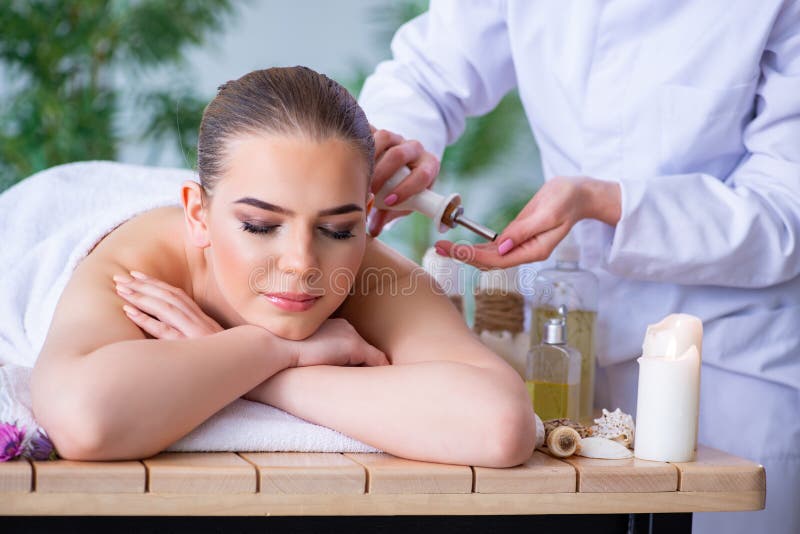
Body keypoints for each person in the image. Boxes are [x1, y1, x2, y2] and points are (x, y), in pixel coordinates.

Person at [356, 2, 800, 533]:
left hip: (733, 354)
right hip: (572, 338)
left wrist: (605, 202)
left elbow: (786, 211)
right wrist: (395, 146)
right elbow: (426, 72)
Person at [18, 66, 536, 466]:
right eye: (261, 227)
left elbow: (500, 424)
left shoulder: (370, 273)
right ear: (198, 216)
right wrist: (270, 346)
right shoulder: (138, 269)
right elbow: (84, 421)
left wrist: (267, 370)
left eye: (337, 230)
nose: (302, 265)